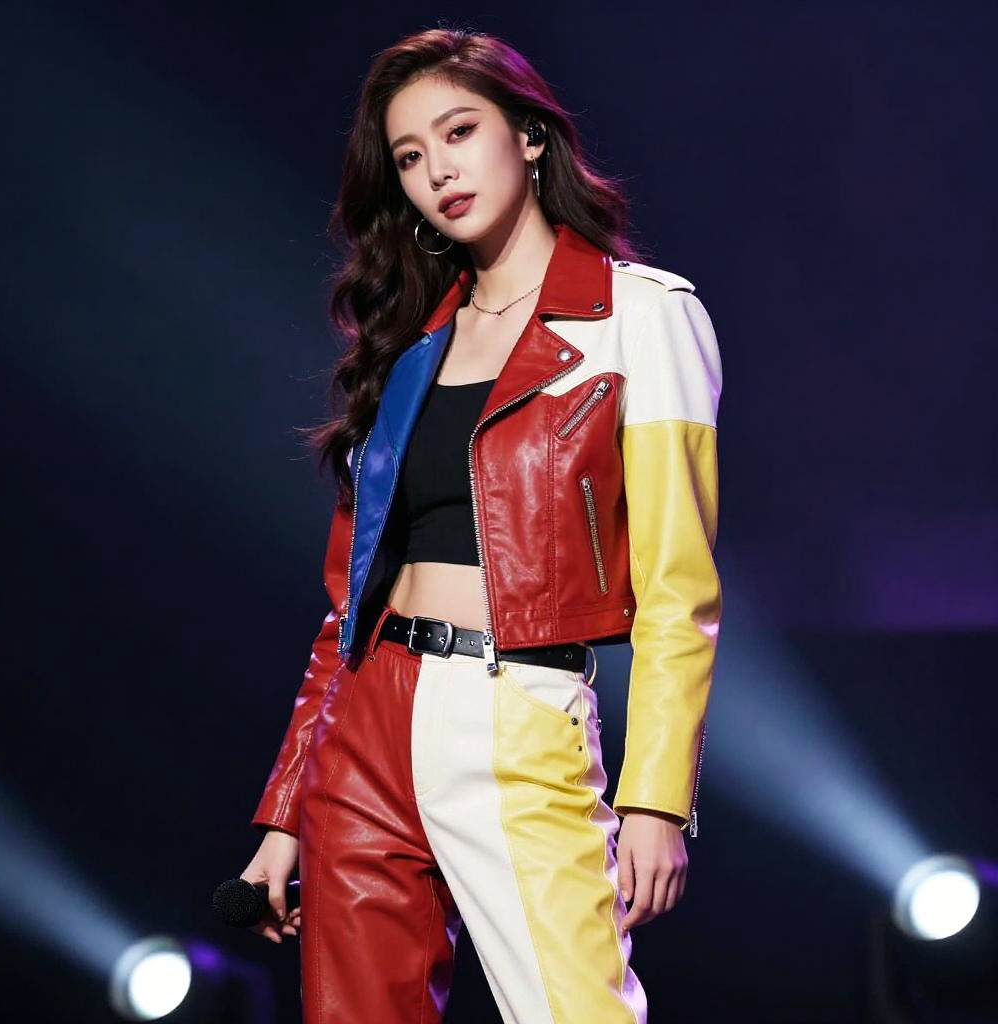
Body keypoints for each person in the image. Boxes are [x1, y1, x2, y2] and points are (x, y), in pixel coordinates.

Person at [239, 26, 722, 1024]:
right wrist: (285, 810)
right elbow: (347, 605)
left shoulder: (641, 316)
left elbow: (681, 591)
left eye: (459, 132)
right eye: (410, 155)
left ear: (530, 135)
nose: (437, 171)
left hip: (516, 713)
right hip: (365, 725)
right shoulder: (408, 348)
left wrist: (656, 797)